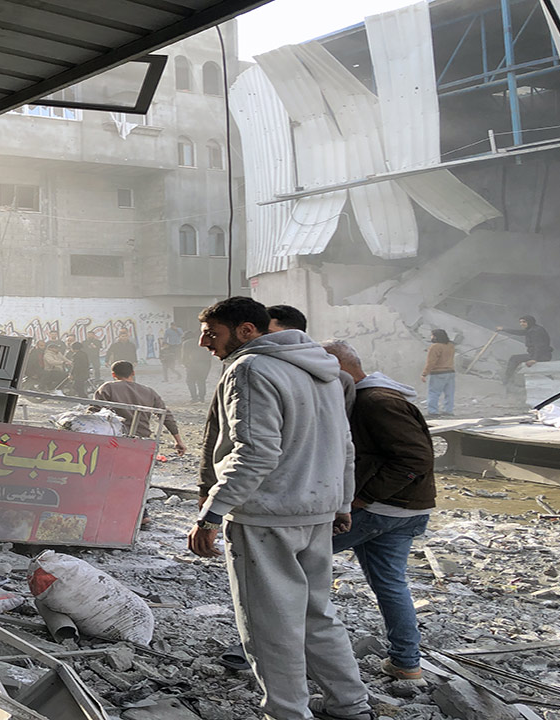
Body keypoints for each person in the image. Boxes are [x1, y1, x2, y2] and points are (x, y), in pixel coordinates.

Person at [188, 297, 370, 720]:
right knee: (316, 616)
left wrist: (211, 514)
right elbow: (344, 445)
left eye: (212, 333)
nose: (203, 342)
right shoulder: (323, 369)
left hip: (266, 515)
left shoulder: (250, 369)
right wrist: (341, 501)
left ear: (247, 330)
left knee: (271, 626)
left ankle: (287, 713)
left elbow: (255, 453)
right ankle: (351, 706)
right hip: (317, 511)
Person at [323, 341, 435, 684]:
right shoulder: (372, 397)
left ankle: (275, 650)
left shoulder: (375, 402)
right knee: (390, 585)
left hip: (380, 509)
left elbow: (415, 459)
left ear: (338, 368)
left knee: (290, 560)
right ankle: (406, 664)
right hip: (402, 509)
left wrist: (360, 499)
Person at [92, 361, 186, 453]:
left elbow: (94, 411)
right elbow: (166, 416)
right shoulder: (149, 391)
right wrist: (178, 441)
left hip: (114, 438)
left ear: (114, 375)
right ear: (133, 373)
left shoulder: (107, 387)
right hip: (141, 439)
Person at [497, 315, 552, 385]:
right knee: (514, 358)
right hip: (538, 355)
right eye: (520, 322)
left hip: (541, 356)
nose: (521, 324)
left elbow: (538, 346)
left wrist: (534, 359)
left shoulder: (536, 331)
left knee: (514, 359)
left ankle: (507, 380)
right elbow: (519, 332)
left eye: (524, 322)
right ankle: (509, 379)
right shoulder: (532, 329)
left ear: (530, 322)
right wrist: (503, 329)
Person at [421, 329, 456, 416]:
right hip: (451, 372)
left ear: (436, 337)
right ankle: (448, 411)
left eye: (432, 335)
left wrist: (424, 374)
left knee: (434, 393)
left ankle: (433, 412)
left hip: (438, 373)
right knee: (449, 393)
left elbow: (431, 362)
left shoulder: (435, 347)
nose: (431, 337)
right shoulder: (450, 345)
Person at [181, 335, 212, 402]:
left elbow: (184, 356)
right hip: (205, 364)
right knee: (201, 381)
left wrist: (185, 364)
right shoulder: (204, 341)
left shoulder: (186, 343)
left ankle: (194, 397)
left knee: (190, 381)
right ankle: (202, 398)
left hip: (193, 364)